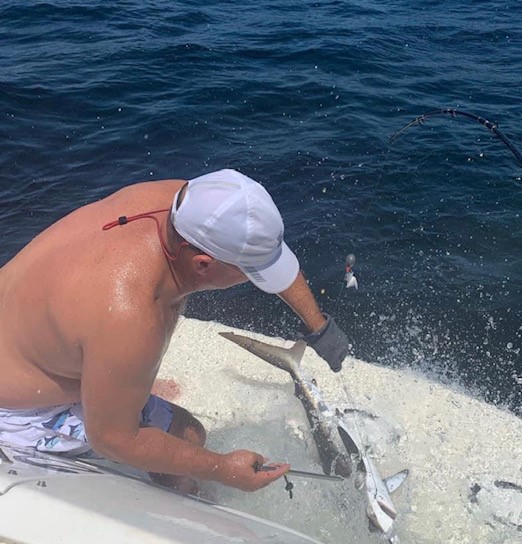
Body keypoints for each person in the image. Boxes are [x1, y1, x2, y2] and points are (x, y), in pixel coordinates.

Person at [0, 168, 349, 494]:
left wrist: (318, 325)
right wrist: (223, 468)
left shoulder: (178, 201)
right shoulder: (131, 315)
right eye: (250, 273)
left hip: (24, 336)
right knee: (189, 436)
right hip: (14, 411)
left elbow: (257, 244)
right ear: (203, 265)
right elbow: (114, 438)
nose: (253, 281)